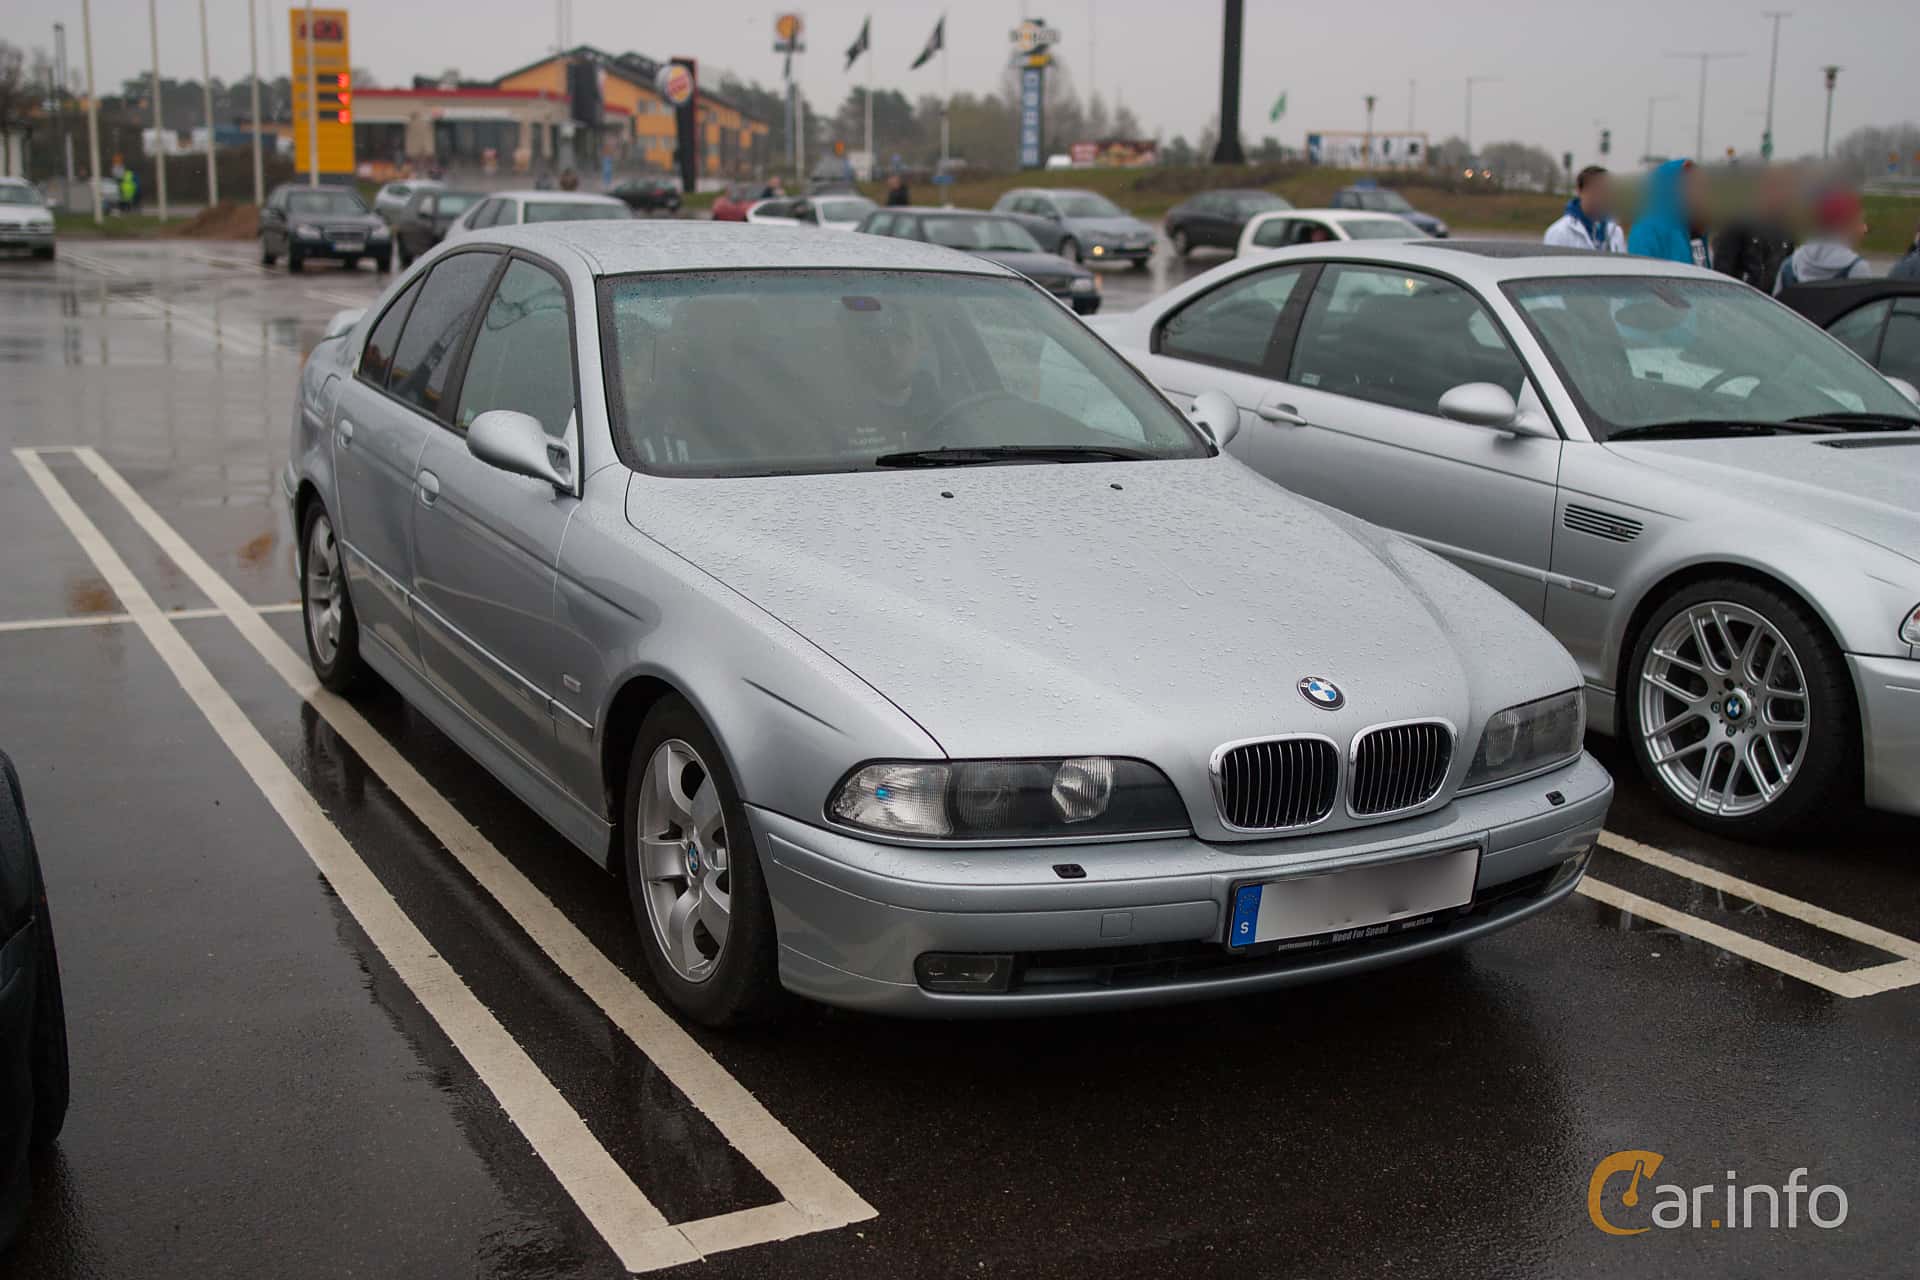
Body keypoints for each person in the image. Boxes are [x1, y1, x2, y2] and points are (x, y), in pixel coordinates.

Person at [1713, 165, 1797, 291]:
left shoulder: (1786, 230)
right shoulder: (1737, 225)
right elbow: (1722, 271)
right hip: (1742, 302)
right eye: (1774, 187)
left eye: (1785, 189)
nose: (1780, 194)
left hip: (1775, 303)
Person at [1775, 189, 1871, 293]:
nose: (1865, 229)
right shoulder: (1856, 269)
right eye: (1859, 221)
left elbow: (1774, 307)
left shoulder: (1789, 265)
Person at [1628, 158, 1711, 268]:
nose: (1700, 195)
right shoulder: (1647, 232)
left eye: (1702, 188)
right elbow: (1641, 279)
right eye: (1693, 185)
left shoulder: (1694, 234)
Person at [1544, 165, 1627, 252]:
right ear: (1580, 191)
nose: (1601, 196)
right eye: (1595, 189)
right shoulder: (1560, 232)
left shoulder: (1615, 233)